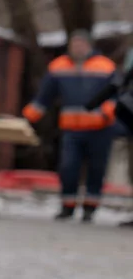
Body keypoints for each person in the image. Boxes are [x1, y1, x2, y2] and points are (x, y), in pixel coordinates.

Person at [23, 30, 118, 220]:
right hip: (71, 129)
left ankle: (90, 208)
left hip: (100, 128)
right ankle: (68, 205)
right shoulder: (59, 67)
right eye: (74, 44)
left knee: (96, 169)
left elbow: (116, 94)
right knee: (68, 167)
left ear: (89, 46)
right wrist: (27, 117)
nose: (77, 48)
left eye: (81, 44)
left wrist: (107, 113)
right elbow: (44, 97)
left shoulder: (105, 66)